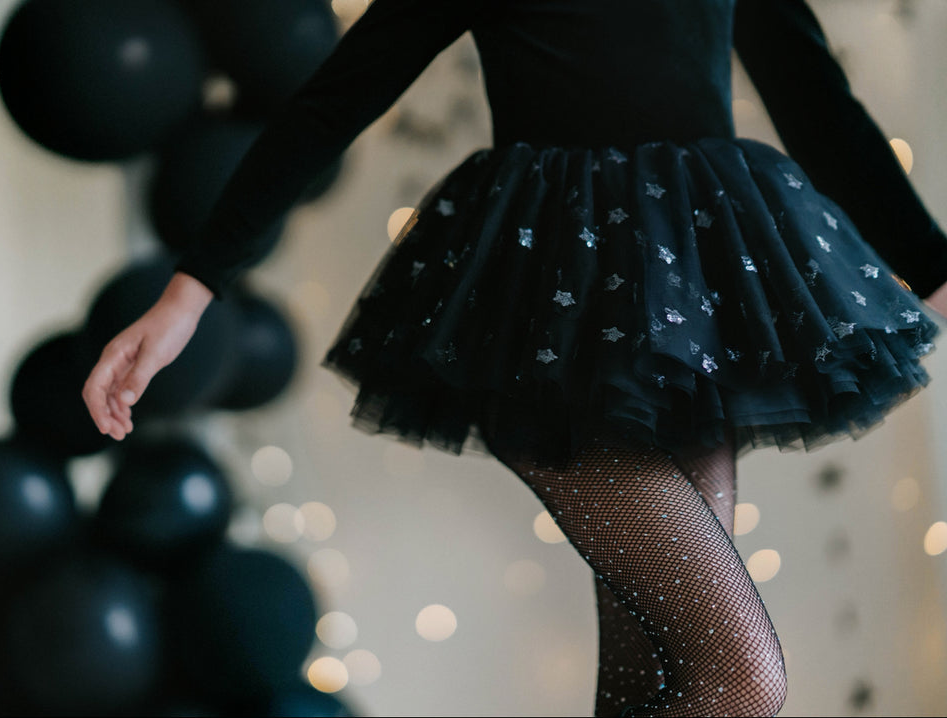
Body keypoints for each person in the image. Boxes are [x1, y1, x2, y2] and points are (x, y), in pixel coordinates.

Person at [83, 1, 947, 715]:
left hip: (693, 321)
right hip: (542, 322)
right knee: (740, 675)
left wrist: (940, 273)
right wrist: (190, 289)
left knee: (649, 683)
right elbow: (331, 103)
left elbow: (818, 105)